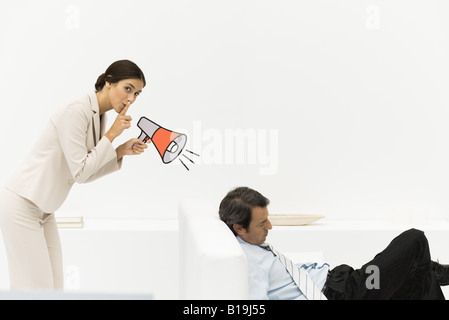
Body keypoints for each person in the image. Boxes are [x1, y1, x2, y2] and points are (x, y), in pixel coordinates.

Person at [0, 59, 149, 290]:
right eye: (128, 88)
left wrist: (119, 151)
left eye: (137, 94)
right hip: (23, 204)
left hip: (44, 209)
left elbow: (85, 172)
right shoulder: (76, 111)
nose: (131, 99)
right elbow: (80, 172)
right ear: (109, 82)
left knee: (54, 288)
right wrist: (111, 136)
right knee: (34, 289)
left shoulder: (100, 116)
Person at [219, 186, 449, 300]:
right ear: (239, 228)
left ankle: (430, 270)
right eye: (262, 223)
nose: (269, 226)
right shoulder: (246, 262)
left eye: (268, 219)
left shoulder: (249, 243)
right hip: (344, 293)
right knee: (414, 240)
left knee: (417, 279)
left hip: (341, 280)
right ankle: (434, 270)